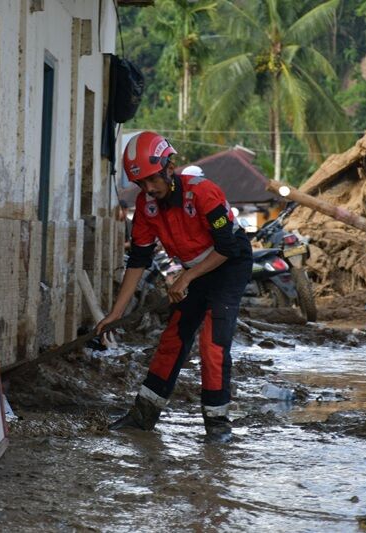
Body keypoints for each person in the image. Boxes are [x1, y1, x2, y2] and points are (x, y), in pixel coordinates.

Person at [95, 131, 253, 443]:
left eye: (153, 180)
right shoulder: (145, 206)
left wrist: (187, 278)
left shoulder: (203, 192)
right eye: (141, 184)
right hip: (195, 271)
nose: (149, 189)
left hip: (229, 263)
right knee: (173, 338)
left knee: (212, 343)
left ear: (169, 167)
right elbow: (138, 260)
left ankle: (218, 426)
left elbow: (227, 248)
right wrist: (114, 313)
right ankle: (142, 416)